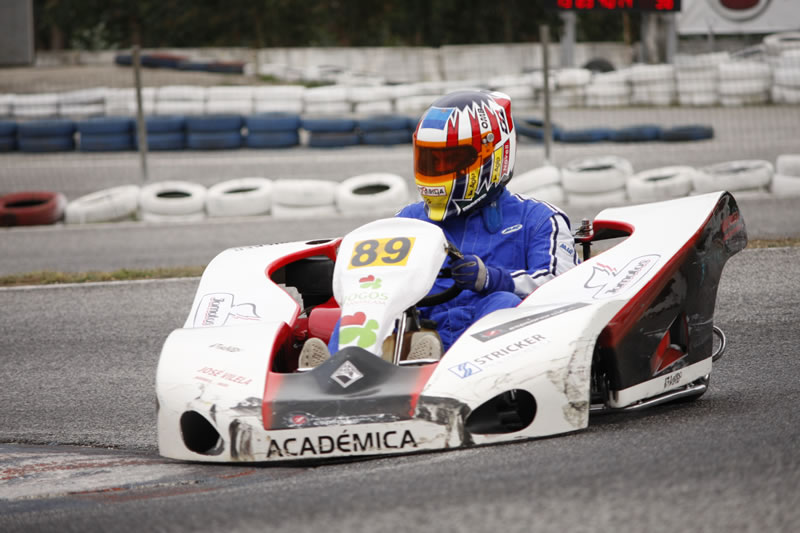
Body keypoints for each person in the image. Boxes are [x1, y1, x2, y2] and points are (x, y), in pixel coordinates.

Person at [299, 89, 578, 367]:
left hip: (490, 341)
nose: (436, 171)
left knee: (503, 303)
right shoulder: (407, 221)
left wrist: (493, 279)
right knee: (366, 308)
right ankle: (340, 366)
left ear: (492, 156)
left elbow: (562, 289)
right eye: (430, 160)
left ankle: (443, 367)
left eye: (448, 161)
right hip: (423, 326)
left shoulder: (539, 219)